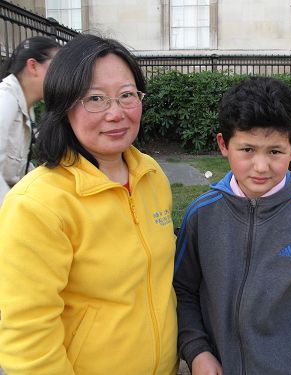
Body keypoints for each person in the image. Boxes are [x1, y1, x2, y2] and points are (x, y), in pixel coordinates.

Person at [0, 34, 178, 374]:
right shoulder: (36, 205)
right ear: (65, 106)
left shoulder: (152, 176)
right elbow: (28, 341)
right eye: (95, 98)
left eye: (127, 95)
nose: (116, 113)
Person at [173, 76, 291, 375]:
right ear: (223, 144)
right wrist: (197, 351)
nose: (261, 167)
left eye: (274, 151)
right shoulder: (200, 215)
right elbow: (182, 291)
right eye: (247, 150)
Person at [0, 36, 60, 205]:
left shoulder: (26, 106)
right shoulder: (5, 100)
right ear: (33, 66)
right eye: (56, 67)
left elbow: (21, 170)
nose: (61, 75)